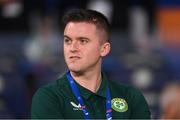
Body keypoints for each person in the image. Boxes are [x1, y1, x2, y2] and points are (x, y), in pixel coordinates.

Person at [31, 9, 151, 119]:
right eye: (68, 41)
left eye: (82, 41)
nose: (72, 48)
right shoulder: (49, 97)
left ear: (104, 49)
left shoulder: (131, 97)